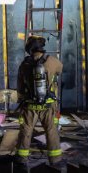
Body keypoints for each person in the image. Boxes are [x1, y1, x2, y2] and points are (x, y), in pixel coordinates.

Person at [16, 35, 64, 166]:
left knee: (26, 130)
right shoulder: (52, 61)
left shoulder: (24, 64)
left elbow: (20, 87)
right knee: (51, 131)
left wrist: (21, 101)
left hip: (30, 106)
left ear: (29, 48)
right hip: (48, 105)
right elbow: (60, 70)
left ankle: (21, 159)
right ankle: (56, 160)